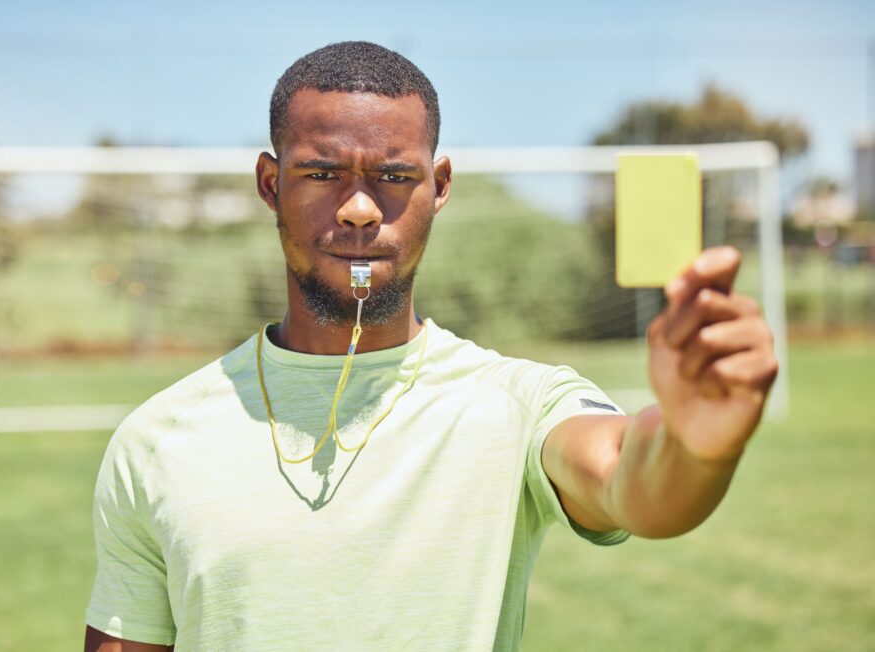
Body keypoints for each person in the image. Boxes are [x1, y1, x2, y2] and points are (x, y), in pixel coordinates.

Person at [83, 41, 778, 652]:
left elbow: (631, 480)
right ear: (272, 185)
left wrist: (696, 443)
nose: (359, 209)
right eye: (323, 174)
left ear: (438, 186)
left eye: (393, 177)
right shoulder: (156, 439)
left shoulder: (515, 404)